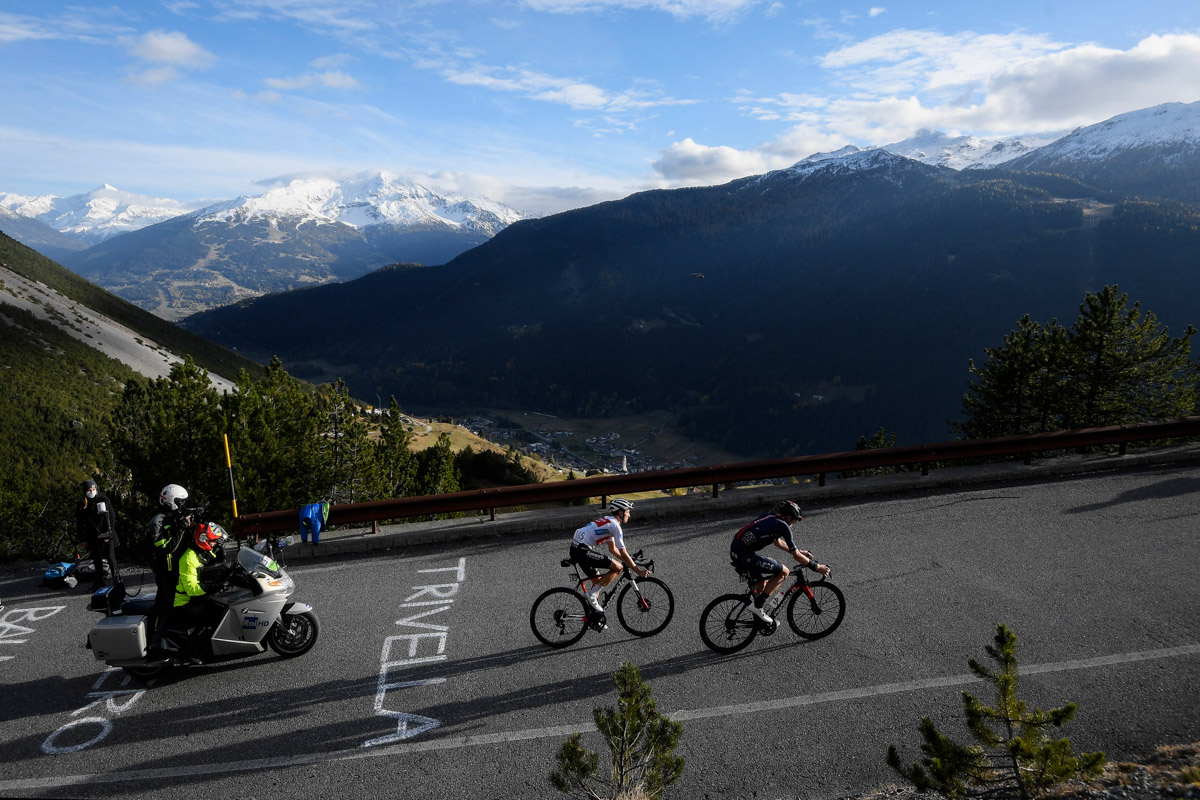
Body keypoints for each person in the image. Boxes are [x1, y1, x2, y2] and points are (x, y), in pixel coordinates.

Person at [729, 500, 830, 625]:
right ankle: (757, 608)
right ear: (789, 517)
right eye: (795, 520)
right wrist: (818, 567)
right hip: (745, 555)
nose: (794, 523)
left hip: (737, 550)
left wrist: (799, 551)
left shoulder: (768, 516)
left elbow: (777, 542)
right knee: (784, 572)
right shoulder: (783, 526)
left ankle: (759, 617)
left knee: (762, 584)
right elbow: (797, 557)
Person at [569, 498, 650, 621]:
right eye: (628, 511)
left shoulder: (609, 522)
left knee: (598, 583)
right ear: (621, 513)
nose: (629, 514)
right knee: (618, 568)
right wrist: (638, 571)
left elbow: (613, 550)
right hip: (582, 550)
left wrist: (629, 560)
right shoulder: (615, 526)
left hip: (577, 548)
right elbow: (623, 552)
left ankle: (594, 618)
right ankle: (591, 596)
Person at [164, 521, 228, 656]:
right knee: (216, 613)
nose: (215, 544)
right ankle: (193, 651)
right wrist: (218, 587)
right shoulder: (188, 559)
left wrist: (222, 554)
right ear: (204, 540)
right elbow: (192, 589)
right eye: (213, 541)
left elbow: (215, 565)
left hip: (197, 597)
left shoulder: (202, 551)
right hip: (185, 602)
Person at [148, 484, 195, 652]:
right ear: (170, 501)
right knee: (164, 606)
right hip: (166, 572)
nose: (182, 504)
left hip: (180, 567)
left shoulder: (175, 514)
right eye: (180, 501)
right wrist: (181, 528)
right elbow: (166, 548)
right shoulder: (156, 522)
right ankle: (154, 644)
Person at [75, 479, 119, 591]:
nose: (92, 491)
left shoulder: (103, 500)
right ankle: (99, 582)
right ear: (85, 491)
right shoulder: (82, 504)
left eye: (94, 489)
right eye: (90, 490)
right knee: (97, 560)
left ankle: (117, 580)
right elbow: (79, 522)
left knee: (110, 558)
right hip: (93, 536)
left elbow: (112, 517)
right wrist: (82, 538)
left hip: (106, 534)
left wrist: (107, 533)